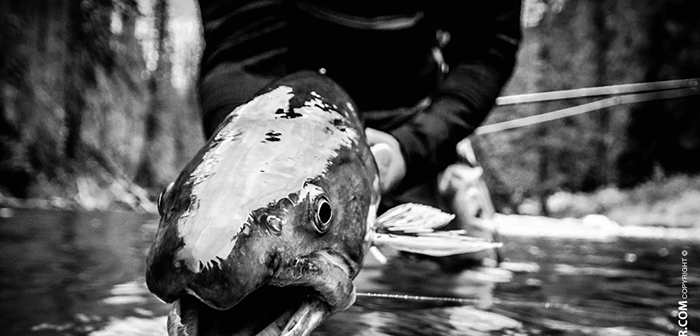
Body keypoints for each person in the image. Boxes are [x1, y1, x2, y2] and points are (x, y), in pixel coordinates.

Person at [196, 1, 522, 258]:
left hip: (418, 124)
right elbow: (239, 55)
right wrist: (245, 158)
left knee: (474, 262)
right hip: (287, 131)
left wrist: (412, 148)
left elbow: (488, 46)